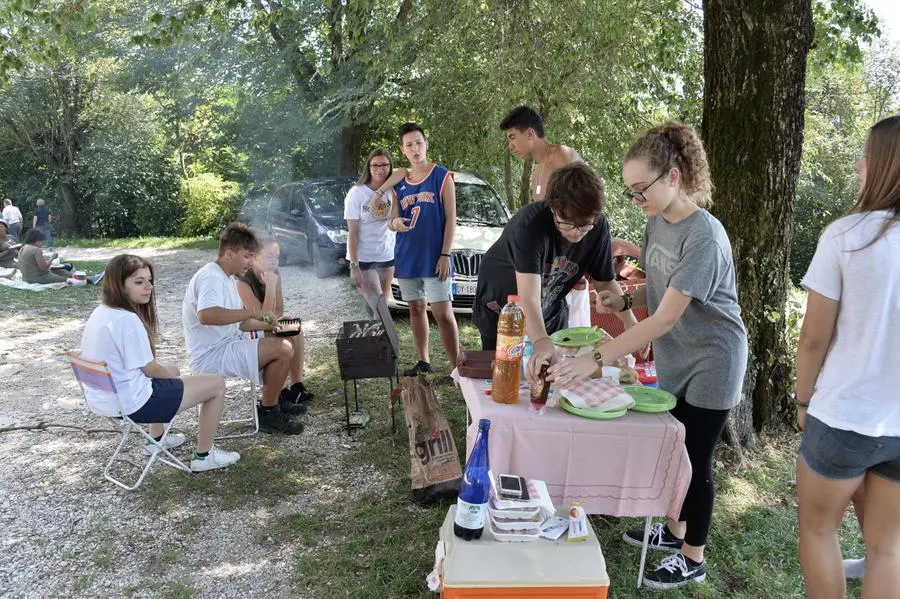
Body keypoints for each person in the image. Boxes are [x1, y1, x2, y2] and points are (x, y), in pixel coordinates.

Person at [550, 122, 748, 591]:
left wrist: (595, 357)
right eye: (631, 191)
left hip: (714, 359)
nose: (636, 200)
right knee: (673, 447)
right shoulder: (657, 220)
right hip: (679, 356)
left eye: (641, 190)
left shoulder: (705, 237)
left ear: (674, 177)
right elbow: (661, 291)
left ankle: (692, 555)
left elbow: (665, 320)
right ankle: (674, 530)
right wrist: (626, 302)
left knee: (695, 458)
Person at [794, 114, 900, 599]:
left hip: (843, 415)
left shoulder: (846, 236)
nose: (858, 165)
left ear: (880, 165)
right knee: (889, 548)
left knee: (819, 531)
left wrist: (800, 400)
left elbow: (814, 337)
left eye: (865, 156)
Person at [472, 162, 637, 380]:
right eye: (567, 224)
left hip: (550, 305)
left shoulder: (597, 227)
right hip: (503, 308)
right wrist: (541, 343)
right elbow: (528, 298)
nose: (577, 233)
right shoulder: (529, 226)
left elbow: (605, 282)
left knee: (551, 377)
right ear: (553, 208)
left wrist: (629, 320)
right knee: (503, 377)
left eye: (585, 226)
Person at [80, 254, 240, 472]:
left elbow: (144, 368)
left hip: (104, 400)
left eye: (149, 281)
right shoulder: (127, 320)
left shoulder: (101, 312)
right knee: (216, 384)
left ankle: (156, 438)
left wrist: (171, 376)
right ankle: (205, 455)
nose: (148, 287)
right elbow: (151, 370)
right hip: (134, 404)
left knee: (170, 372)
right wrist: (176, 378)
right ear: (119, 285)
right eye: (139, 282)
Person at [182, 223, 304, 435]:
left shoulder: (227, 277)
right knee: (282, 349)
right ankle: (268, 411)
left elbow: (242, 324)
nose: (250, 262)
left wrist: (268, 324)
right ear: (229, 254)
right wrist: (250, 313)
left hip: (228, 343)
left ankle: (274, 400)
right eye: (247, 256)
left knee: (286, 336)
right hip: (211, 355)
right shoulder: (211, 276)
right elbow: (206, 315)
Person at [378, 122, 459, 376]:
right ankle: (423, 360)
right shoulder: (398, 182)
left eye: (419, 143)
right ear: (403, 150)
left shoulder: (442, 176)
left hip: (434, 257)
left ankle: (457, 367)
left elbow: (451, 218)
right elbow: (392, 220)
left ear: (426, 144)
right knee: (415, 308)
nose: (415, 149)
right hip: (407, 256)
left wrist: (445, 254)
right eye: (409, 145)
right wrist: (395, 223)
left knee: (443, 313)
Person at [235, 231, 313, 407]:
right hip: (248, 333)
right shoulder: (242, 282)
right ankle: (273, 396)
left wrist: (275, 320)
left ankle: (296, 386)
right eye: (269, 256)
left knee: (294, 325)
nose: (274, 261)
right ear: (254, 257)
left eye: (277, 256)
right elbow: (263, 316)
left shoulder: (274, 273)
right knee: (285, 335)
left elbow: (278, 310)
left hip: (266, 325)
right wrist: (270, 285)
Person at [344, 148, 397, 311]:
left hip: (387, 255)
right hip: (364, 258)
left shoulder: (392, 190)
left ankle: (379, 336)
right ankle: (384, 336)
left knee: (382, 306)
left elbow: (404, 171)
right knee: (379, 306)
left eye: (384, 165)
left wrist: (380, 192)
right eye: (375, 165)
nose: (380, 169)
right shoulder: (357, 193)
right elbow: (352, 232)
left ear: (390, 167)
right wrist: (354, 265)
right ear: (368, 167)